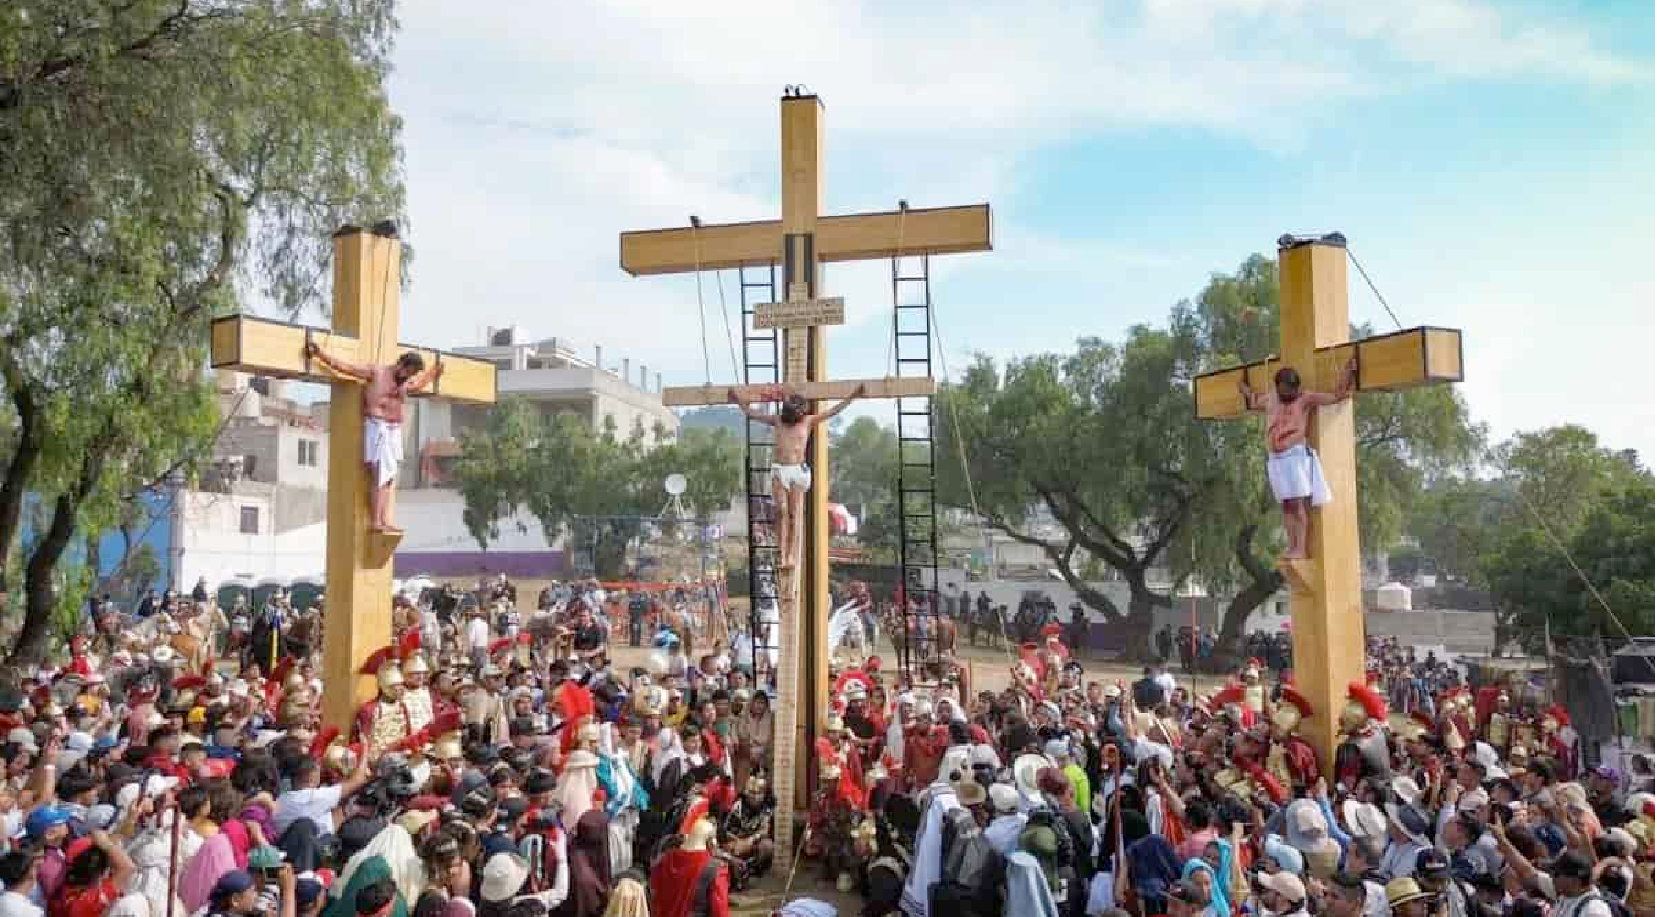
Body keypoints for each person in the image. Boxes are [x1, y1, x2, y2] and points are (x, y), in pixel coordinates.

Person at [304, 341, 444, 533]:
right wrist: (321, 354)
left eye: (412, 374)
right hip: (378, 427)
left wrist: (434, 372)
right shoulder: (376, 373)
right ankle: (376, 520)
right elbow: (346, 368)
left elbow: (420, 385)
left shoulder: (405, 383)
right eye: (408, 372)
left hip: (394, 430)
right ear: (401, 365)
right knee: (380, 474)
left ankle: (384, 519)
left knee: (389, 478)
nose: (409, 377)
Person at [728, 383, 865, 570]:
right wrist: (738, 401)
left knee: (794, 514)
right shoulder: (778, 421)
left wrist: (853, 396)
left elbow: (834, 410)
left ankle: (791, 555)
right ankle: (782, 554)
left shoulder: (808, 421)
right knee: (781, 511)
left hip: (797, 471)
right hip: (779, 469)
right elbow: (753, 414)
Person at [1238, 360, 1356, 560]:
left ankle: (1300, 547)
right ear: (1277, 387)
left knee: (1297, 504)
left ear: (1296, 387)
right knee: (1286, 505)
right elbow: (1253, 401)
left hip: (1295, 457)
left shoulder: (1305, 398)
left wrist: (1348, 373)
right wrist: (1244, 389)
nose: (1288, 395)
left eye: (1291, 390)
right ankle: (1292, 546)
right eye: (1283, 390)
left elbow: (1336, 396)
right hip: (1276, 459)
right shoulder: (1270, 400)